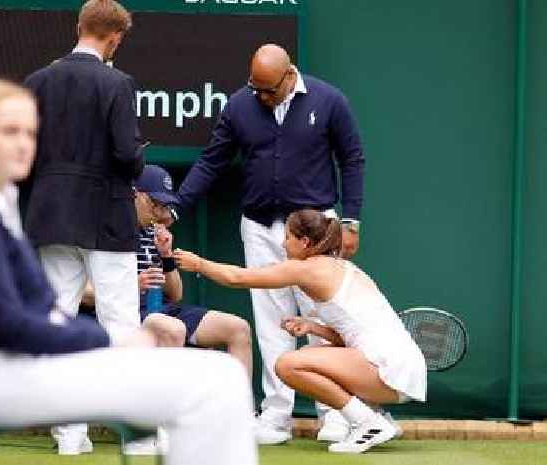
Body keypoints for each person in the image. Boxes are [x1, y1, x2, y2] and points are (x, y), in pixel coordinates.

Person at [0, 78, 257, 465]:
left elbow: (39, 311)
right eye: (9, 131)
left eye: (30, 132)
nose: (24, 143)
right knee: (214, 383)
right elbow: (8, 325)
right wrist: (112, 339)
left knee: (219, 377)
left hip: (15, 365)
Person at [176, 43, 366, 443]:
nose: (259, 97)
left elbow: (352, 159)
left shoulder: (329, 100)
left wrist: (350, 220)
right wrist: (177, 206)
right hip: (260, 226)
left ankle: (333, 413)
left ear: (288, 75)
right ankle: (276, 416)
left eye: (267, 90)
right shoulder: (240, 105)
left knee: (322, 321)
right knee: (271, 322)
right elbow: (212, 161)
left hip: (317, 231)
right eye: (254, 88)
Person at [173, 209, 426, 453]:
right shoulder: (342, 267)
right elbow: (349, 338)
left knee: (288, 365)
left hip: (388, 371)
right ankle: (377, 416)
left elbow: (237, 278)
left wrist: (198, 264)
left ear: (305, 242)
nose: (283, 245)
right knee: (311, 350)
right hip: (401, 371)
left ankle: (368, 423)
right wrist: (313, 327)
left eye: (287, 238)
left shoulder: (305, 269)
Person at [22, 0, 145, 452]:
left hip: (51, 214)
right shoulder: (118, 83)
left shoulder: (37, 82)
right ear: (115, 38)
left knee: (59, 322)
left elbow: (25, 153)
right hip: (106, 216)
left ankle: (69, 433)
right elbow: (128, 156)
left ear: (79, 28)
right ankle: (134, 432)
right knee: (122, 323)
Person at [81, 165, 253, 455]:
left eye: (165, 205)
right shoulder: (104, 227)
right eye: (155, 203)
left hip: (161, 309)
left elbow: (176, 293)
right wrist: (133, 284)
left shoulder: (153, 231)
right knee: (170, 328)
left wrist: (166, 258)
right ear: (134, 195)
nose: (160, 212)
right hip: (125, 314)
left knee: (238, 328)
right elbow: (82, 293)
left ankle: (238, 421)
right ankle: (165, 423)